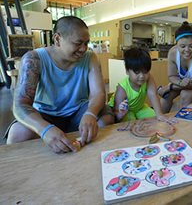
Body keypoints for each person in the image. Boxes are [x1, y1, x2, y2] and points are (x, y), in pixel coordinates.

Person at [6, 16, 114, 153]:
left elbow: (98, 93)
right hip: (45, 113)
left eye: (86, 43)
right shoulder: (33, 59)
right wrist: (44, 129)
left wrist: (90, 114)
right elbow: (20, 105)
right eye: (78, 43)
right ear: (57, 39)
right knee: (17, 134)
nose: (83, 49)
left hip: (77, 112)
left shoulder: (90, 57)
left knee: (106, 119)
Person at [157, 21, 192, 113]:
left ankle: (183, 124)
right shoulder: (173, 53)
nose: (187, 50)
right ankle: (161, 120)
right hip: (183, 83)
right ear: (176, 44)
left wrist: (170, 87)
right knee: (167, 96)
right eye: (182, 46)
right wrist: (178, 84)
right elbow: (172, 76)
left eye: (191, 46)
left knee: (185, 94)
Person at [108, 47, 168, 122]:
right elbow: (116, 112)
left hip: (140, 108)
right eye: (137, 72)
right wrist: (121, 114)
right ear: (127, 71)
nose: (142, 76)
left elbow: (153, 94)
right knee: (131, 122)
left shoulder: (149, 78)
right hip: (127, 111)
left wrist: (159, 114)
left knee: (154, 117)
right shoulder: (122, 88)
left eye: (145, 72)